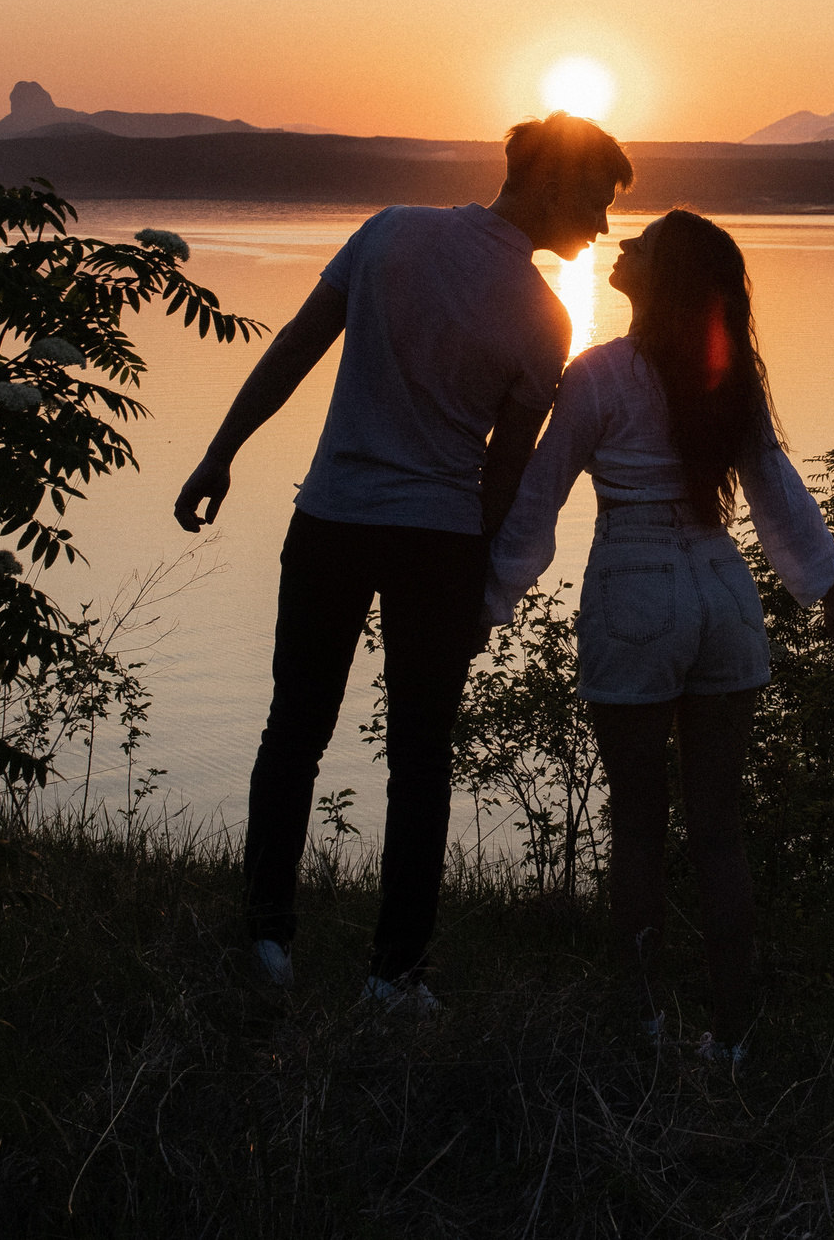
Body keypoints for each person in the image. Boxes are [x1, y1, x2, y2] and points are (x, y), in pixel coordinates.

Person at [174, 111, 633, 1008]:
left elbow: (296, 346)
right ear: (546, 181)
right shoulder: (546, 321)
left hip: (332, 520)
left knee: (293, 731)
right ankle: (393, 977)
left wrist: (221, 452)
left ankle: (267, 941)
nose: (603, 224)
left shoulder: (390, 232)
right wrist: (480, 591)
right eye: (594, 198)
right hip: (439, 544)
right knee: (421, 759)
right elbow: (502, 476)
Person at [482, 208, 834, 1062]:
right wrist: (830, 597)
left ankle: (643, 1029)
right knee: (719, 828)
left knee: (639, 824)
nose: (625, 245)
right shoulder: (726, 378)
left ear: (666, 277)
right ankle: (733, 1036)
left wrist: (488, 601)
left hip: (635, 589)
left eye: (644, 244)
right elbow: (777, 490)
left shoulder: (597, 375)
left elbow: (537, 498)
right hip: (724, 591)